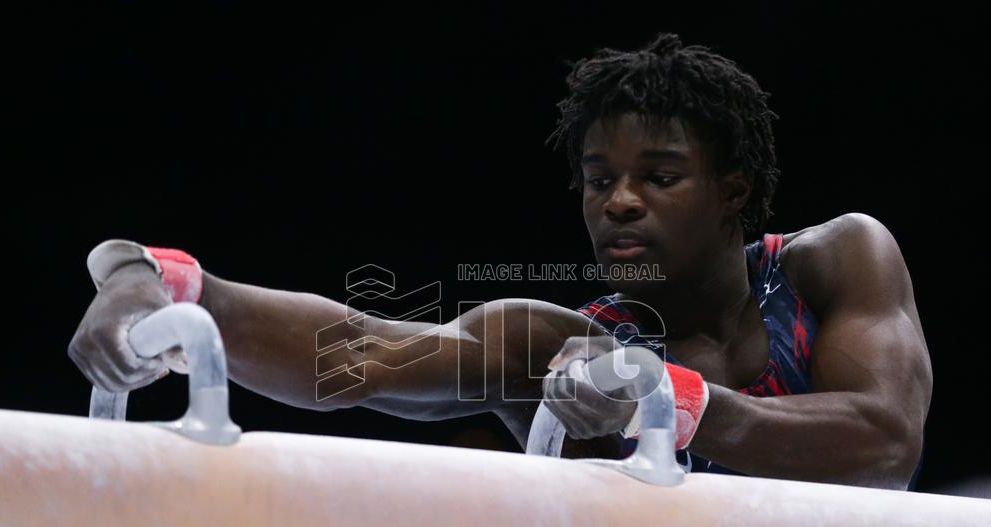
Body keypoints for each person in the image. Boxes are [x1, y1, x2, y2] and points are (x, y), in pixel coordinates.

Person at [68, 33, 932, 490]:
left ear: (734, 190)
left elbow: (885, 445)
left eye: (659, 177)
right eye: (600, 180)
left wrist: (667, 393)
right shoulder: (551, 346)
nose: (619, 202)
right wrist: (160, 280)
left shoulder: (835, 261)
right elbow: (358, 356)